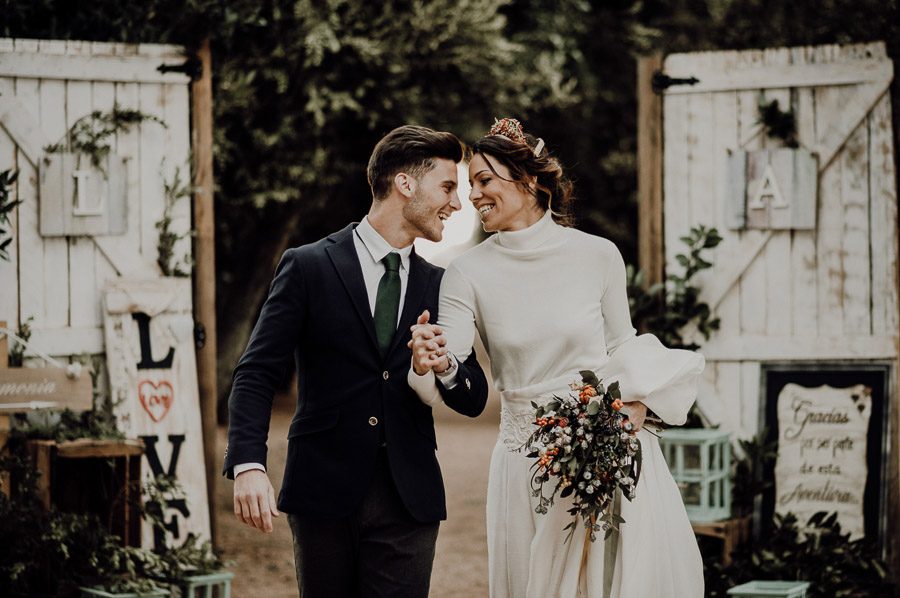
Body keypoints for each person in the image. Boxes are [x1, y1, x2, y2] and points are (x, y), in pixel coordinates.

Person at [408, 118, 705, 597]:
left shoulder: (598, 255)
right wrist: (431, 360)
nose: (474, 196)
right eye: (468, 185)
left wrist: (637, 406)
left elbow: (622, 345)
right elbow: (450, 364)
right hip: (524, 458)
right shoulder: (466, 272)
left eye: (484, 180)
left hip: (602, 449)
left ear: (528, 181)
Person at [223, 124, 489, 598]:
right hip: (321, 490)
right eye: (448, 187)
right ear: (405, 184)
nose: (456, 203)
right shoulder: (307, 265)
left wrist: (445, 364)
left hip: (409, 498)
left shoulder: (441, 283)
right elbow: (257, 371)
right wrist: (248, 463)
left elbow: (473, 398)